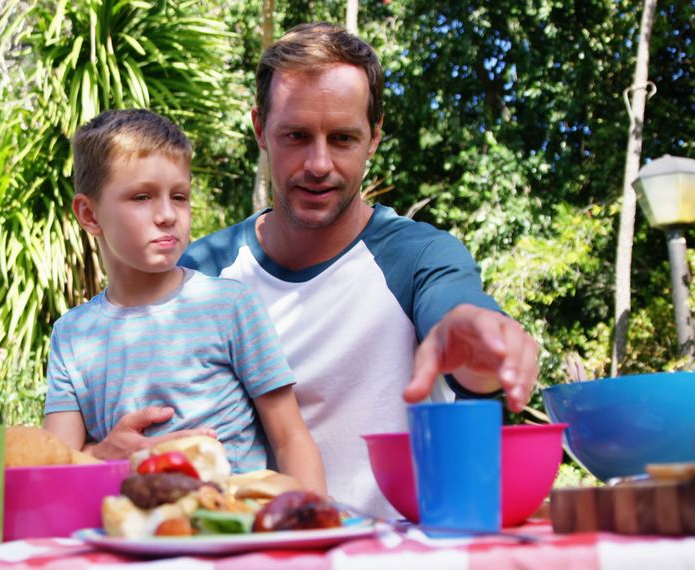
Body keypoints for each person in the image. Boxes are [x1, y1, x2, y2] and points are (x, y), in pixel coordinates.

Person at [86, 24, 541, 516]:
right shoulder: (198, 273)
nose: (319, 163)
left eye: (343, 138)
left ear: (374, 138)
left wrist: (484, 346)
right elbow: (117, 438)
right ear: (260, 129)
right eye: (297, 136)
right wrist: (100, 457)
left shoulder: (420, 257)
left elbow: (465, 327)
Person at [42, 108, 327, 494]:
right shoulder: (72, 335)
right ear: (90, 214)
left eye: (179, 197)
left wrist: (313, 525)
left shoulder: (229, 306)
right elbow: (54, 471)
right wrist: (105, 453)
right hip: (125, 536)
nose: (167, 215)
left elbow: (290, 438)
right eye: (142, 197)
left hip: (230, 534)